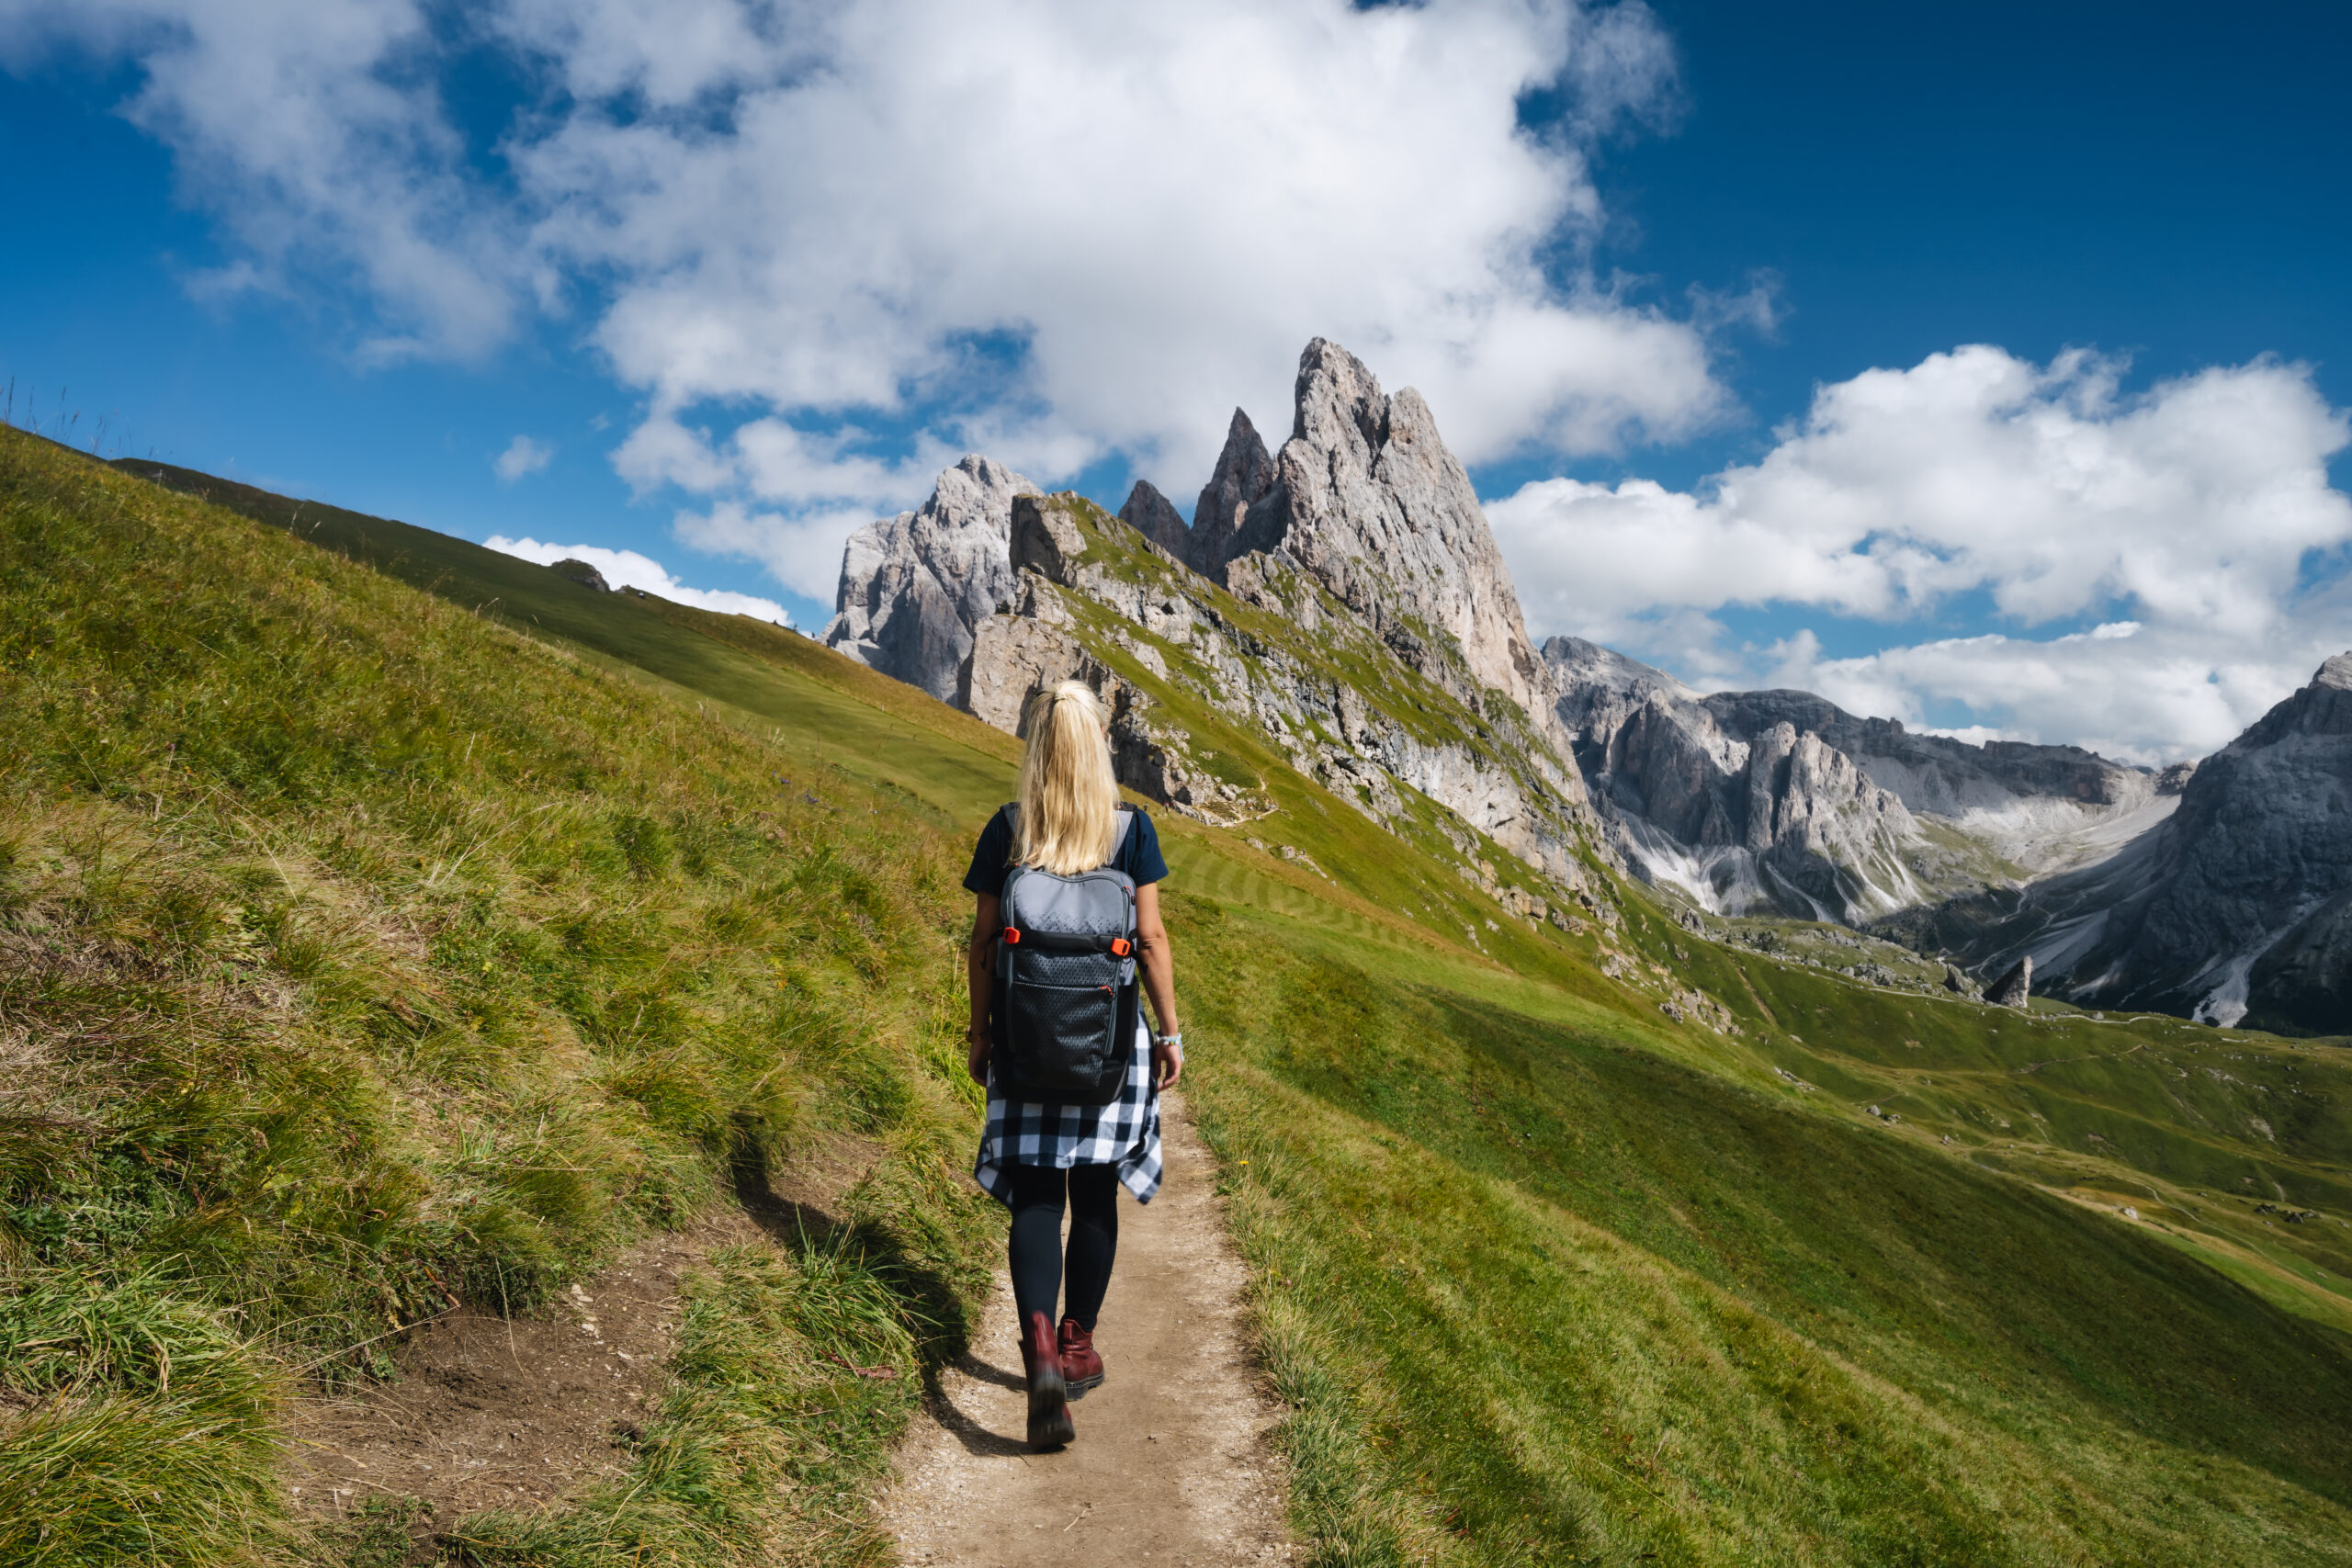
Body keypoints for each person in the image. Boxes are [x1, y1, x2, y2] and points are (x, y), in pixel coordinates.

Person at [964, 681, 1184, 1450]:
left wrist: (979, 1033)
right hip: (1106, 1050)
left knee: (1035, 1193)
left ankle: (1038, 1350)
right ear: (1097, 747)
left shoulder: (1008, 828)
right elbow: (1151, 941)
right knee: (1093, 1195)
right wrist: (1170, 1032)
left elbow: (985, 942)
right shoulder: (1131, 831)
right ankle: (1078, 1338)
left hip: (1024, 1045)